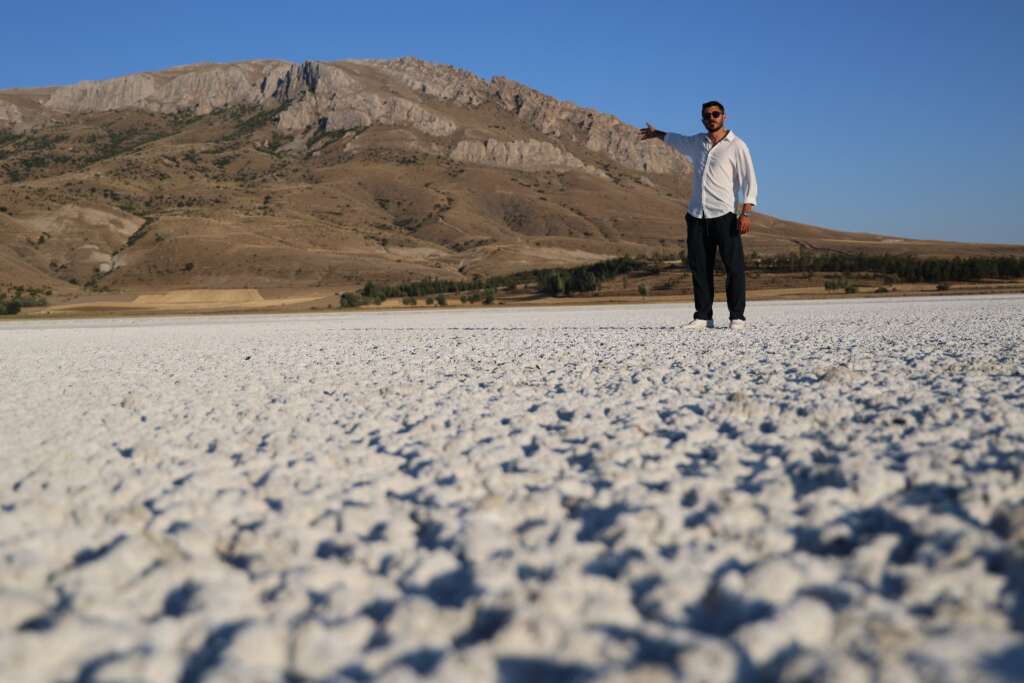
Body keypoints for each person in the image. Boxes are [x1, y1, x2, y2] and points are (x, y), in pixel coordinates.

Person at [640, 101, 758, 330]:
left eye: (715, 114)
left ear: (724, 116)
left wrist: (745, 213)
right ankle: (703, 316)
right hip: (696, 215)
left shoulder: (737, 146)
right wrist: (656, 134)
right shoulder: (697, 143)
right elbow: (675, 139)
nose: (711, 118)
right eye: (707, 115)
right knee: (700, 268)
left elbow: (749, 181)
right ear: (702, 118)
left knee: (733, 267)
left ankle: (737, 317)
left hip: (724, 215)